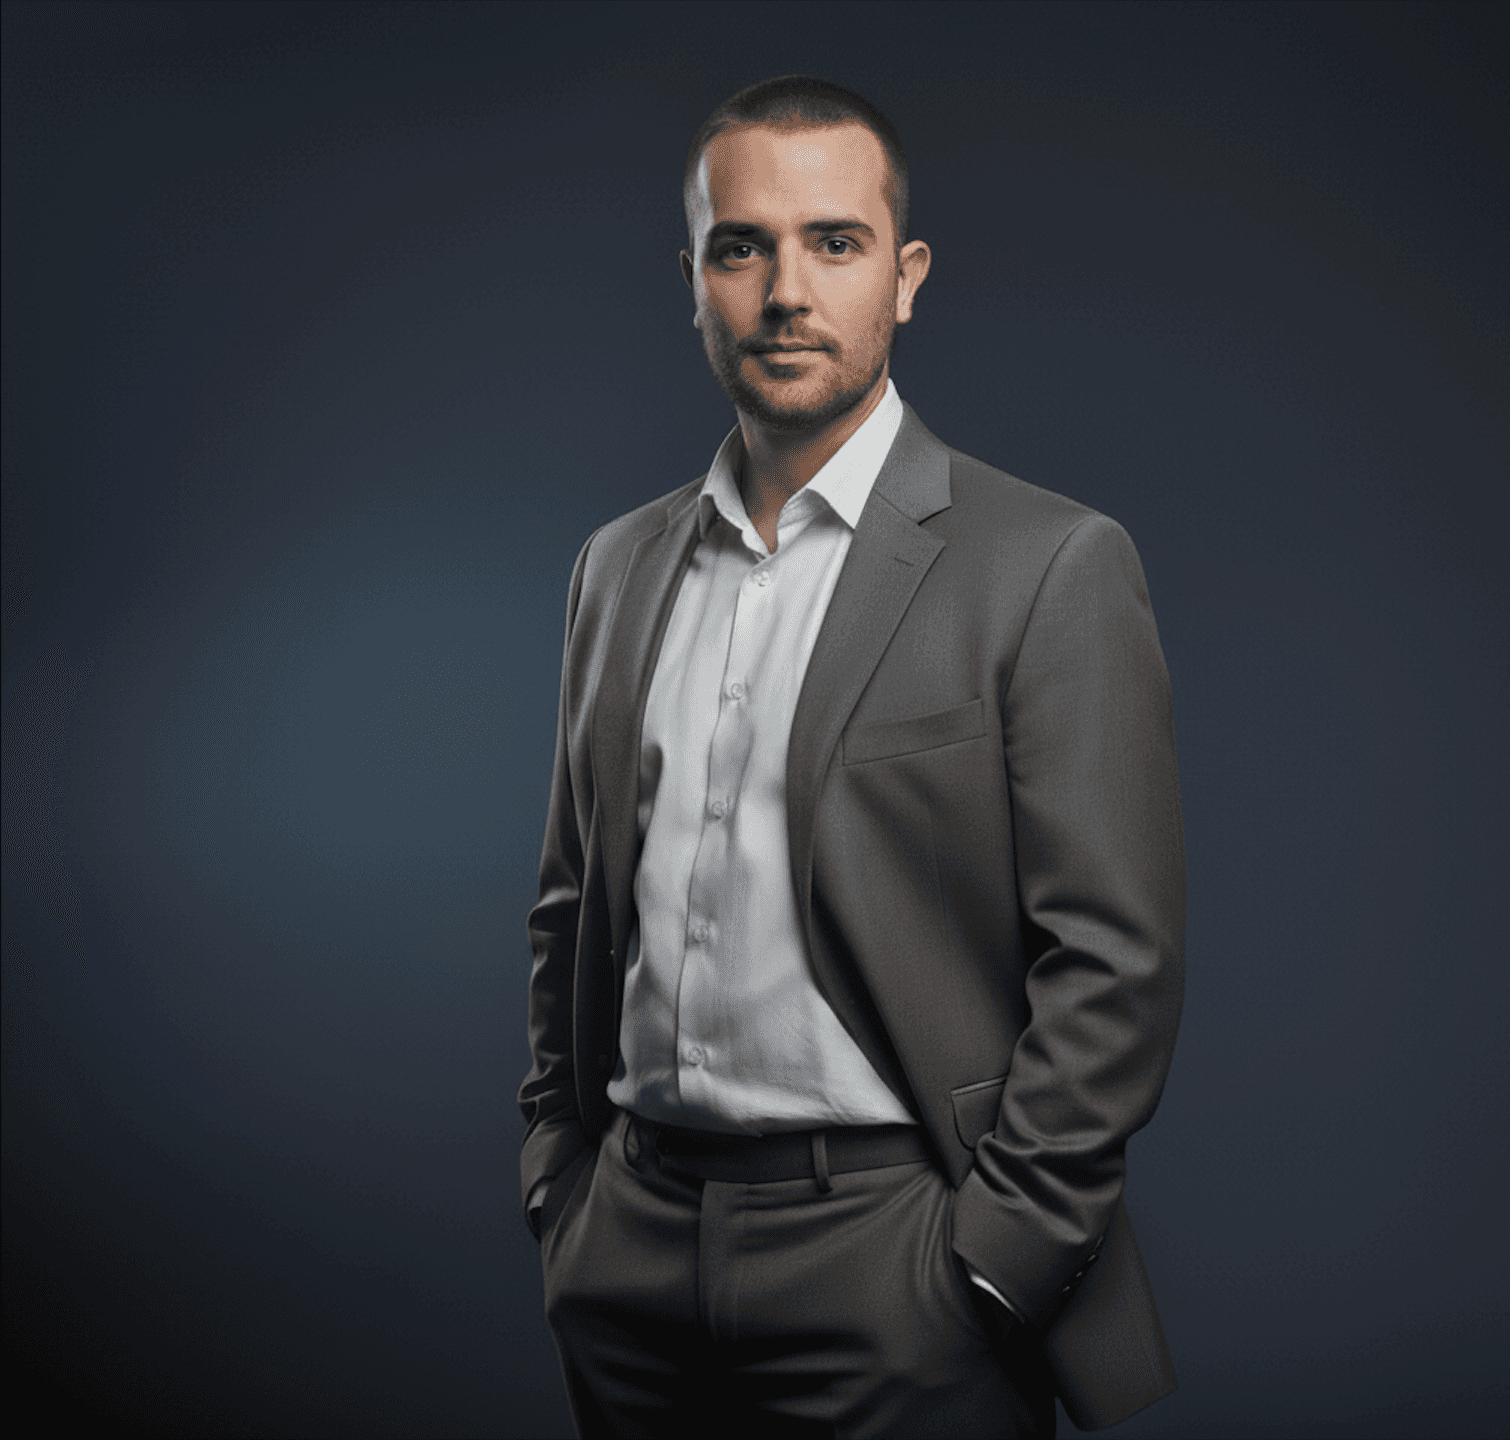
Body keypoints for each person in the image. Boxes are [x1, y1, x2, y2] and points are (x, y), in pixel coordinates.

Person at [519, 75, 1184, 1439]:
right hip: (632, 1249)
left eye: (833, 241)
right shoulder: (615, 568)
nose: (784, 290)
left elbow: (1114, 963)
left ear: (906, 276)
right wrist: (561, 1188)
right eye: (740, 245)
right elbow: (572, 906)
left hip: (897, 1252)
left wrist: (987, 1263)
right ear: (695, 278)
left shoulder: (1046, 564)